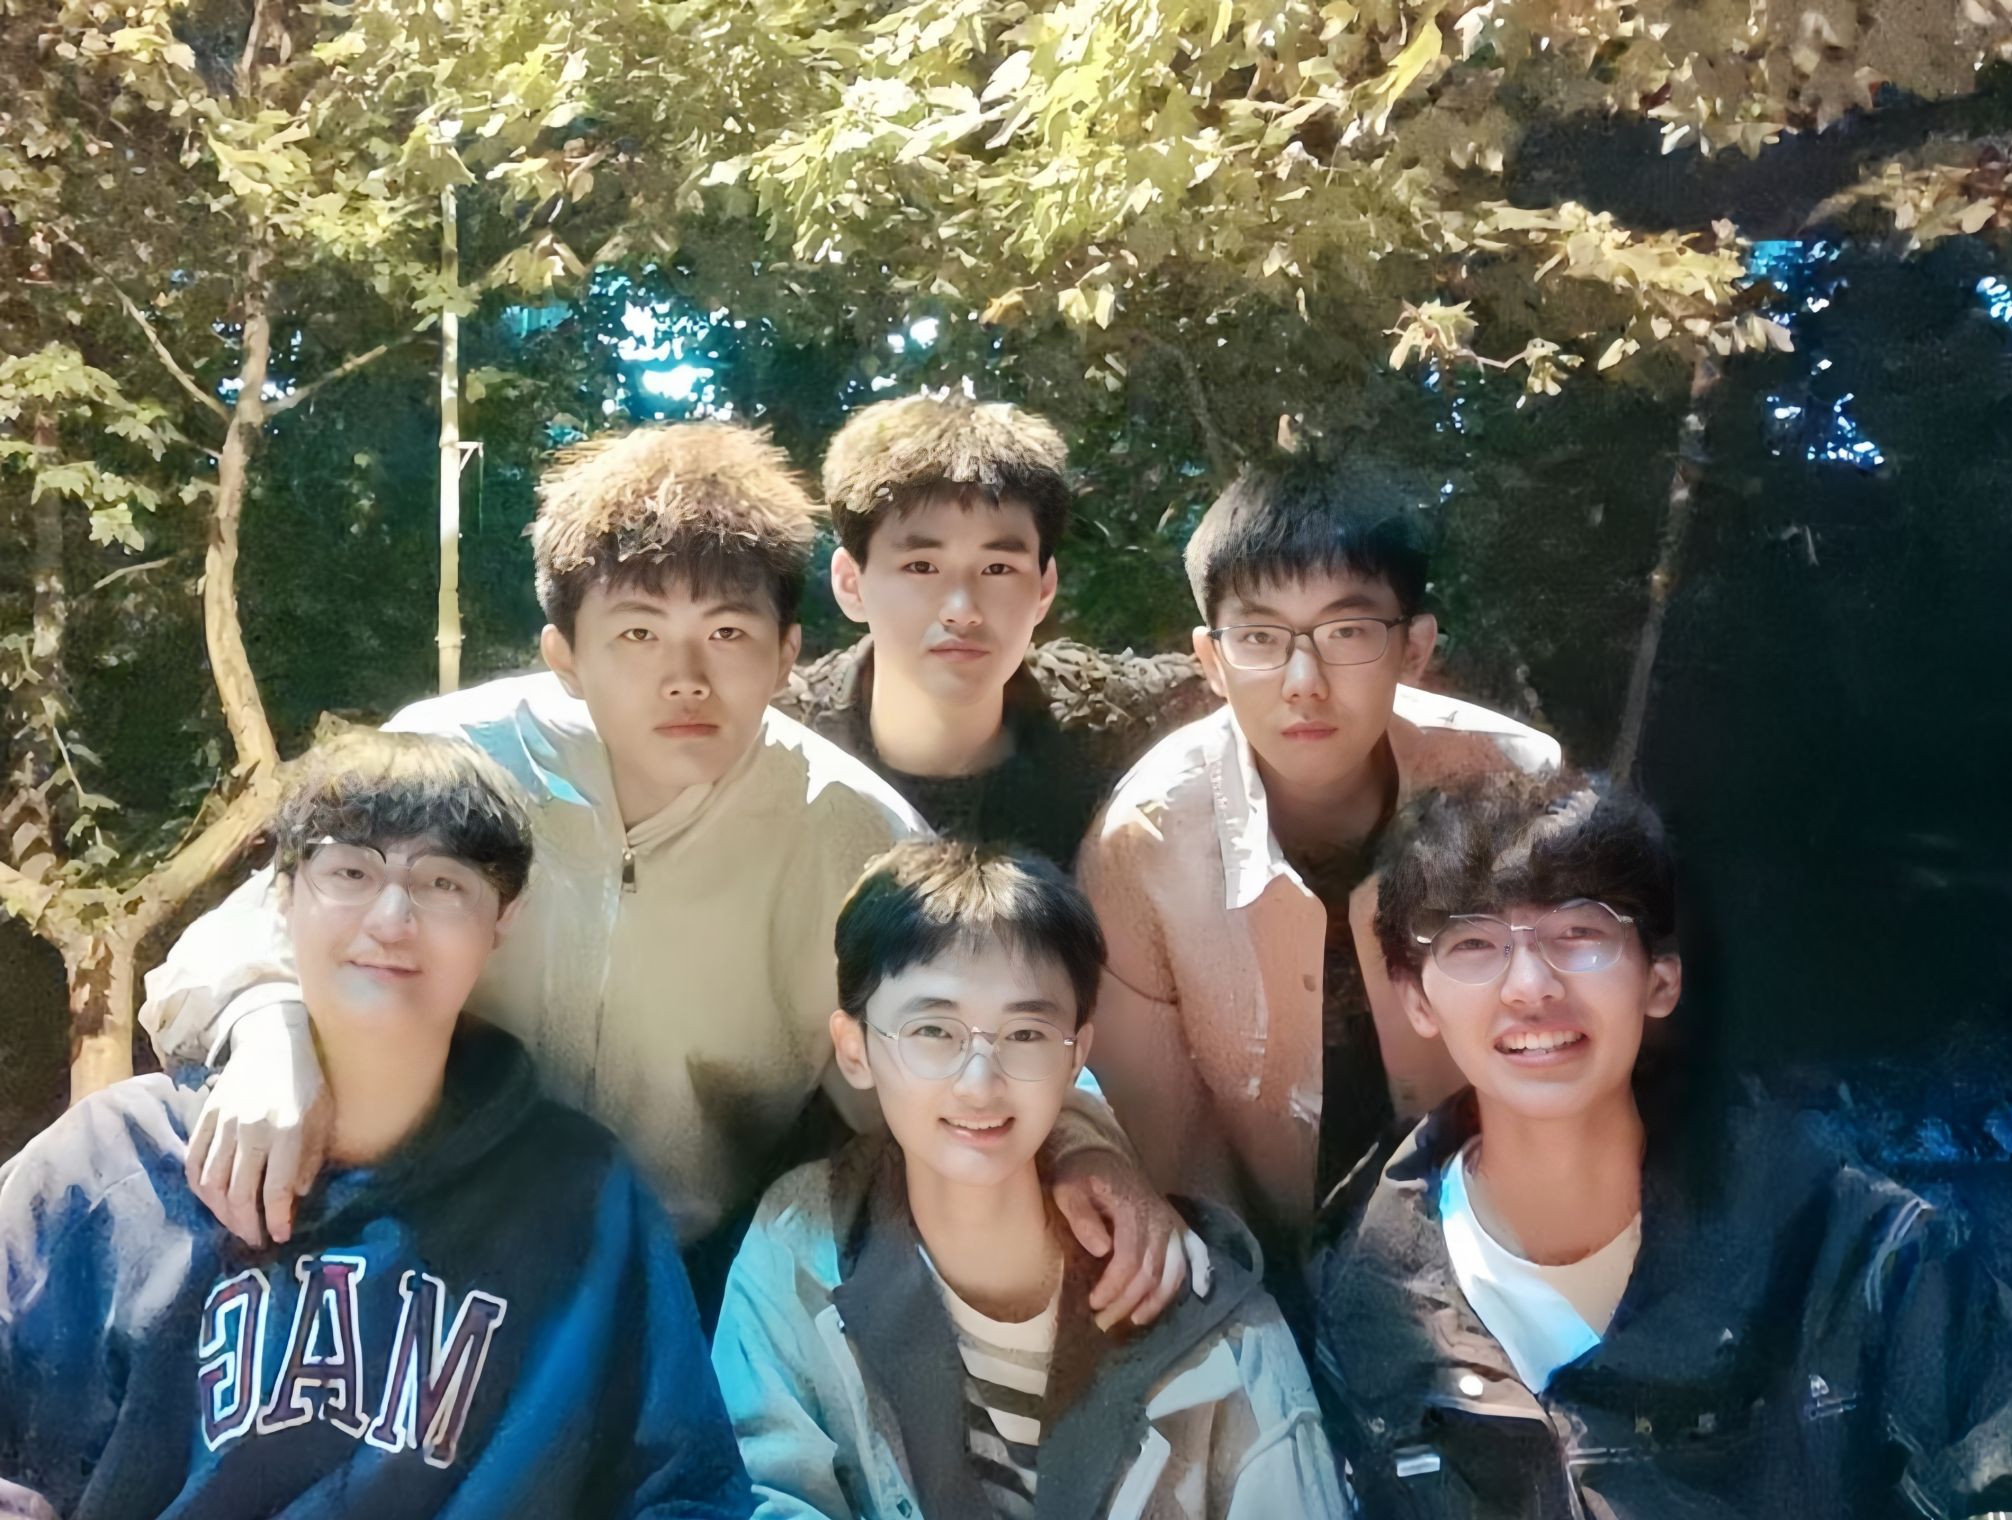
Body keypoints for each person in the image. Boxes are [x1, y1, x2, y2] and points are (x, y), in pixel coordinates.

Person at [141, 422, 1194, 1326]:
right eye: (638, 632)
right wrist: (269, 1030)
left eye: (727, 632)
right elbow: (237, 939)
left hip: (681, 1283)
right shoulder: (456, 759)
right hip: (404, 1236)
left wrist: (1089, 1151)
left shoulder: (851, 830)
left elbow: (983, 1012)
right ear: (564, 652)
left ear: (787, 651)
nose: (685, 677)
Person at [0, 730, 750, 1519]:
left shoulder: (580, 1200)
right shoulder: (118, 1164)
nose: (392, 919)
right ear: (283, 897)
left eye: (444, 883)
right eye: (350, 872)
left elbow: (686, 1493)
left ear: (505, 918)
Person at [1316, 771, 2012, 1518]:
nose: (1530, 986)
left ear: (1661, 979)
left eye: (1579, 933)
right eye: (1474, 944)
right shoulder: (1357, 1316)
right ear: (1416, 999)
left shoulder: (1855, 1262)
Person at [712, 841, 1346, 1520]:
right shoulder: (802, 1249)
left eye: (1025, 1035)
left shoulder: (1211, 1314)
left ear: (1078, 1057)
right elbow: (760, 1494)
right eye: (933, 1031)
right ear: (855, 1049)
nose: (979, 1083)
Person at [1077, 457, 1559, 1291]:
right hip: (1266, 1257)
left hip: (1506, 1230)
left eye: (1347, 633)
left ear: (1413, 648)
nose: (1304, 684)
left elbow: (1575, 1042)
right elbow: (1173, 1148)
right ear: (1211, 660)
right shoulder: (1143, 844)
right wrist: (1256, 1309)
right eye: (1261, 639)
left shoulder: (1512, 784)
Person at [780, 394, 1209, 866]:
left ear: (1044, 587)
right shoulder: (776, 735)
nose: (962, 611)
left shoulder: (1113, 721)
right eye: (921, 566)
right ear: (851, 583)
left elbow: (1244, 676)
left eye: (998, 568)